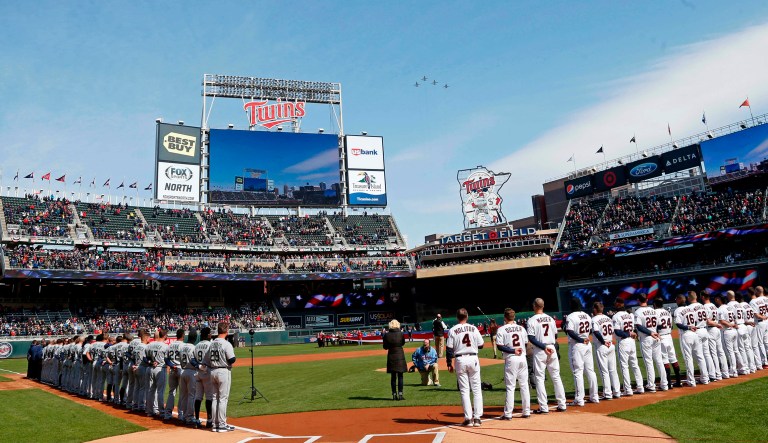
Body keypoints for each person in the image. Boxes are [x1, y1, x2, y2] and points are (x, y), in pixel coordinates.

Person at [446, 308, 484, 426]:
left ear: (457, 317)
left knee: (464, 390)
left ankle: (468, 419)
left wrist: (449, 364)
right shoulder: (473, 328)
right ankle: (477, 418)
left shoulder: (452, 330)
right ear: (467, 316)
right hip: (473, 358)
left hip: (460, 359)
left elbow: (449, 349)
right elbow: (481, 345)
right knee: (476, 389)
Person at [527, 298, 566, 413]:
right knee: (556, 376)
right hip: (552, 347)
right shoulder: (550, 318)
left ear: (534, 306)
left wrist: (544, 347)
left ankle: (544, 407)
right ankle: (562, 404)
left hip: (540, 350)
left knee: (539, 378)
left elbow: (531, 338)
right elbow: (555, 336)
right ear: (543, 306)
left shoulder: (532, 320)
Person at [495, 308, 530, 419]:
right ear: (514, 317)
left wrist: (512, 350)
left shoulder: (502, 329)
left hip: (511, 358)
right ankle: (526, 411)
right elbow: (525, 343)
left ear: (505, 317)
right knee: (524, 385)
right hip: (522, 358)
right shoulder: (521, 328)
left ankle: (508, 413)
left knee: (510, 387)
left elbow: (499, 346)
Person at [564, 298, 599, 405]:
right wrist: (584, 338)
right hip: (587, 344)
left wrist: (580, 339)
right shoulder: (587, 315)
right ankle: (595, 396)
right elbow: (591, 330)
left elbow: (569, 331)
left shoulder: (571, 316)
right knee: (590, 371)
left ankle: (579, 399)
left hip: (577, 345)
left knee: (578, 372)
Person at [203, 322, 236, 433]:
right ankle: (221, 424)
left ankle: (215, 424)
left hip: (212, 371)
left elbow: (206, 360)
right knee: (222, 399)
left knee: (214, 398)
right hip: (223, 371)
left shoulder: (211, 344)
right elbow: (232, 359)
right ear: (226, 331)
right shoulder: (226, 344)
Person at [633, 294, 668, 392]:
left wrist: (650, 332)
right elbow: (660, 326)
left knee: (649, 362)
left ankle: (651, 385)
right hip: (655, 337)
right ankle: (664, 384)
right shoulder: (654, 311)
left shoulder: (638, 312)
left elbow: (639, 327)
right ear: (647, 300)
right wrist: (655, 332)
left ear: (638, 300)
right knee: (659, 361)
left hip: (646, 338)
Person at [612, 297, 644, 395]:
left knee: (624, 366)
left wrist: (629, 334)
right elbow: (633, 329)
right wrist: (631, 333)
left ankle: (628, 389)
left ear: (617, 304)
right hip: (631, 342)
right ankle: (640, 387)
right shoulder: (629, 315)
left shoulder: (616, 316)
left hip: (623, 342)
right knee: (634, 364)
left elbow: (617, 331)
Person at [675, 294, 707, 386]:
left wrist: (688, 327)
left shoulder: (678, 310)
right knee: (700, 356)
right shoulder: (691, 309)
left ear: (679, 300)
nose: (676, 301)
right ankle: (705, 378)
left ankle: (691, 381)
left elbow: (678, 324)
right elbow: (696, 321)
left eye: (676, 299)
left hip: (686, 334)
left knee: (688, 358)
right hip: (695, 333)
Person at [591, 302, 621, 399]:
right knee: (613, 370)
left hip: (602, 345)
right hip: (610, 345)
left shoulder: (594, 319)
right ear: (602, 309)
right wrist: (608, 340)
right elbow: (612, 331)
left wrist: (603, 341)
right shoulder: (608, 318)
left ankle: (608, 393)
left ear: (595, 309)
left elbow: (596, 332)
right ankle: (617, 392)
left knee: (604, 371)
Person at [653, 298, 683, 387]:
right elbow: (672, 326)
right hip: (669, 336)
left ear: (655, 304)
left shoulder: (655, 312)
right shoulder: (667, 312)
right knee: (673, 358)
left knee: (664, 360)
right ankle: (678, 381)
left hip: (661, 337)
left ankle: (669, 383)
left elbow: (656, 326)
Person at [701, 292, 728, 381]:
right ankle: (725, 372)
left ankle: (717, 374)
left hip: (711, 329)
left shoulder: (705, 307)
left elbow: (708, 321)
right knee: (720, 351)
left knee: (713, 353)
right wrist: (717, 324)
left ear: (703, 297)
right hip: (717, 330)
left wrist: (716, 324)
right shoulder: (713, 305)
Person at [192, 327, 214, 429]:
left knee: (198, 397)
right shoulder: (210, 345)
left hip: (198, 373)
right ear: (208, 335)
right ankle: (209, 420)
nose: (211, 335)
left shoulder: (196, 346)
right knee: (209, 397)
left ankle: (196, 420)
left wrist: (198, 366)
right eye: (210, 333)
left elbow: (192, 360)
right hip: (207, 372)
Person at [716, 293, 742, 378]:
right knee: (735, 350)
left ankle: (733, 371)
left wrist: (730, 325)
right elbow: (734, 318)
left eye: (717, 299)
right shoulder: (729, 307)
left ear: (719, 299)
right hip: (734, 331)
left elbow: (722, 321)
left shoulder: (720, 309)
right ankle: (742, 367)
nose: (716, 300)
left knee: (730, 352)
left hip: (727, 331)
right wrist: (734, 324)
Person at [383, 319, 407, 400]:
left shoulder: (387, 335)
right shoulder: (401, 334)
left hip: (391, 355)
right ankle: (400, 394)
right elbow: (403, 343)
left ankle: (394, 394)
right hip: (400, 354)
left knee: (393, 377)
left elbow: (385, 347)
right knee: (400, 376)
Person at [164, 328, 185, 420]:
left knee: (171, 392)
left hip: (172, 370)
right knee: (182, 393)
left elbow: (166, 359)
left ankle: (168, 414)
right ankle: (181, 414)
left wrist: (172, 366)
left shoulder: (170, 345)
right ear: (183, 336)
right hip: (180, 369)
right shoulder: (184, 346)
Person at [178, 328, 198, 425]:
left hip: (183, 371)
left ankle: (183, 415)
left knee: (183, 395)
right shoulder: (194, 348)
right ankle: (189, 417)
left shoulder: (182, 347)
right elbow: (195, 361)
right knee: (191, 395)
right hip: (191, 372)